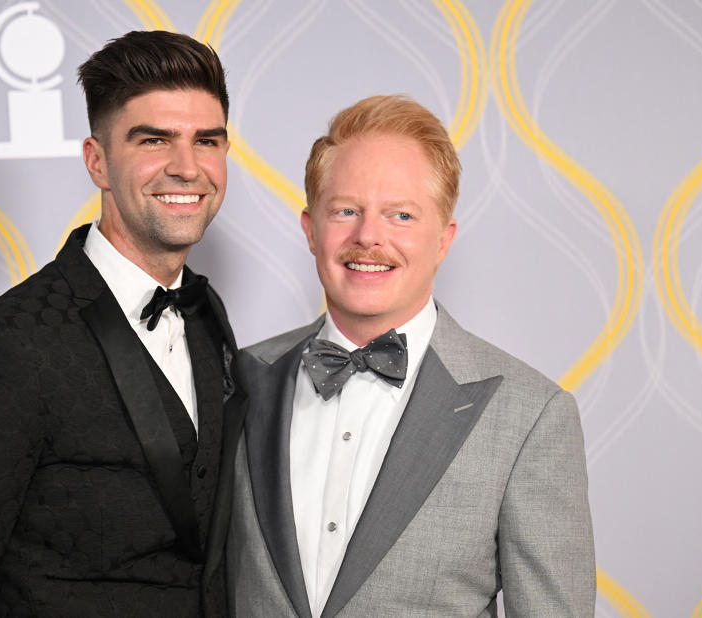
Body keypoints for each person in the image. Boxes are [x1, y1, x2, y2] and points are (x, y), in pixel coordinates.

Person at [0, 30, 246, 617]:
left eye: (207, 141)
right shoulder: (3, 349)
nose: (187, 167)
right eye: (154, 140)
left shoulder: (207, 316)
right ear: (98, 161)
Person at [227, 95, 595, 617]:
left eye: (400, 215)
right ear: (311, 230)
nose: (368, 237)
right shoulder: (239, 378)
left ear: (443, 240)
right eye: (346, 211)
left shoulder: (530, 416)